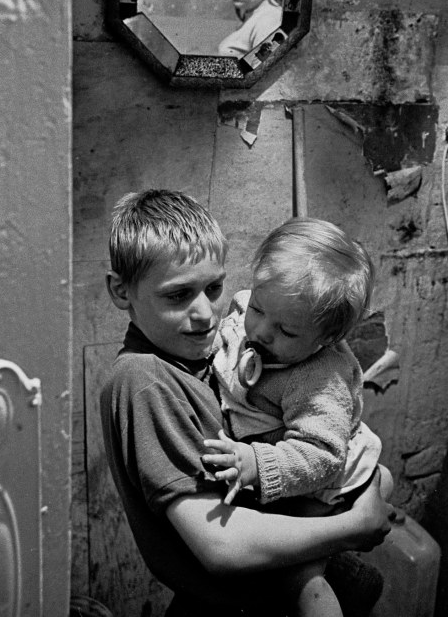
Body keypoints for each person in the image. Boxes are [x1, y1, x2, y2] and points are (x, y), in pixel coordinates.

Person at [100, 189, 393, 617]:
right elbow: (220, 546)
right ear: (122, 292)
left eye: (214, 287)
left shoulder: (200, 355)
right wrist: (352, 527)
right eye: (178, 295)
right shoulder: (144, 379)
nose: (207, 313)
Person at [203, 218, 393, 617]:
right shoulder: (252, 313)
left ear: (323, 339)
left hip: (323, 486)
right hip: (298, 473)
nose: (261, 331)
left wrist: (257, 463)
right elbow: (231, 341)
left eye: (286, 331)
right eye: (257, 307)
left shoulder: (318, 379)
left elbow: (322, 454)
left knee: (300, 581)